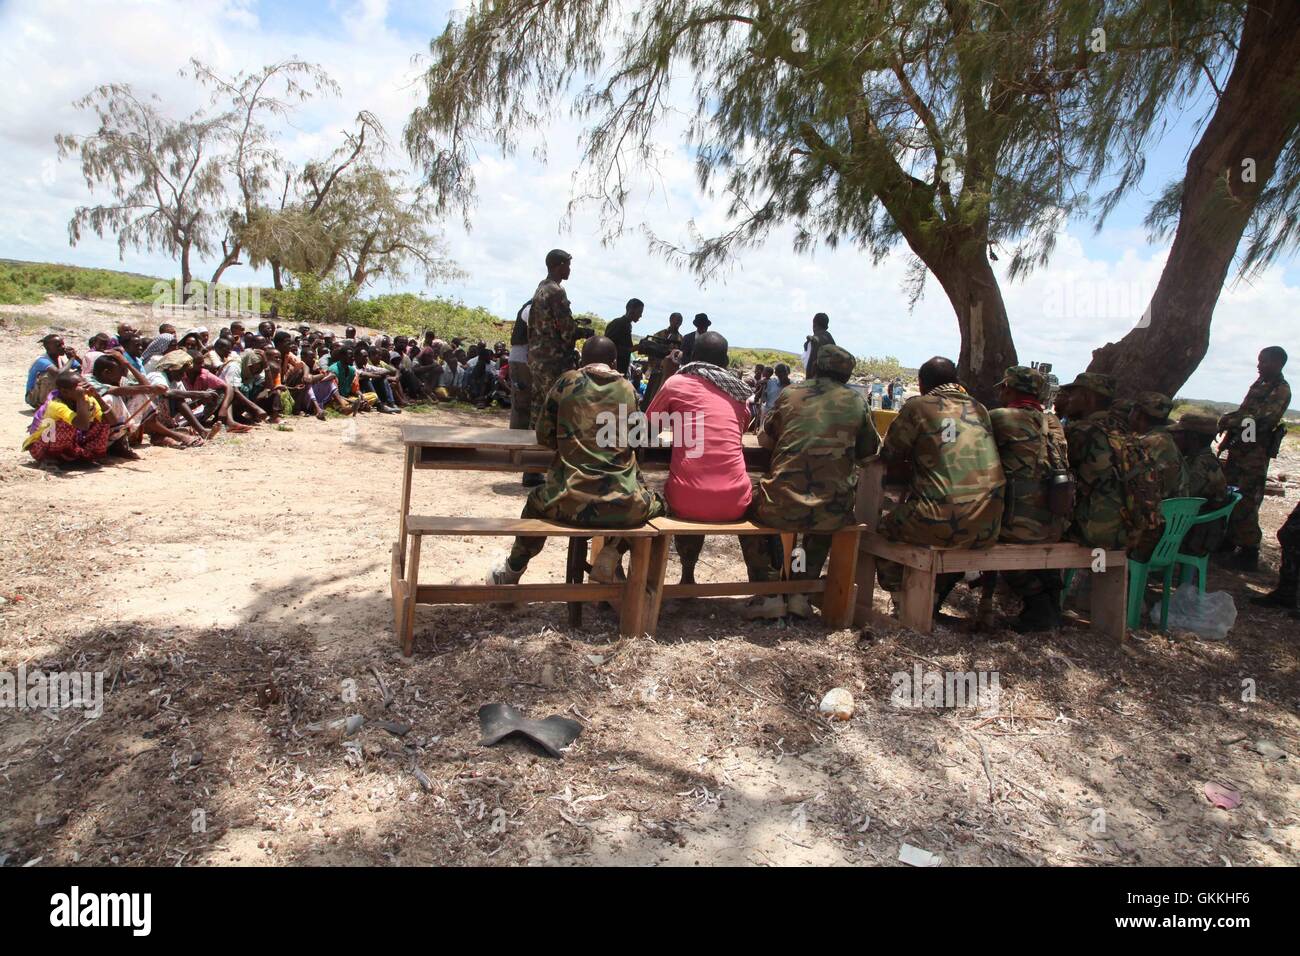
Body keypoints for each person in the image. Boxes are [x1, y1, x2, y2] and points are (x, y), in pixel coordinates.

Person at [486, 336, 664, 586]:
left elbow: (545, 436)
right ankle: (612, 552)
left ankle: (512, 572)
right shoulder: (627, 389)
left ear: (581, 360)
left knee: (534, 503)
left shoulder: (566, 382)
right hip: (624, 507)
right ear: (614, 362)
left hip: (566, 500)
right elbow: (636, 438)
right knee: (661, 504)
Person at [740, 344, 879, 619]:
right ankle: (800, 594)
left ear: (815, 366)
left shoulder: (791, 394)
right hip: (832, 508)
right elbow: (868, 452)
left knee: (745, 512)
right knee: (822, 520)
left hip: (781, 503)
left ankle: (769, 594)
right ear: (847, 375)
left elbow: (766, 438)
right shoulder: (857, 402)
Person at [876, 356, 1004, 613]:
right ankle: (935, 596)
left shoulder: (919, 407)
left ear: (922, 384)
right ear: (956, 381)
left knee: (883, 530)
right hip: (988, 524)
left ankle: (903, 602)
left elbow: (889, 453)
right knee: (939, 532)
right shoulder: (979, 409)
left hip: (937, 519)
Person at [645, 330, 753, 586]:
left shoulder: (677, 383)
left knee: (685, 486)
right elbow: (741, 428)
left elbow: (647, 431)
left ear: (689, 356)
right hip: (736, 502)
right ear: (725, 362)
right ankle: (769, 589)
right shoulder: (739, 393)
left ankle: (678, 578)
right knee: (713, 485)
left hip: (686, 500)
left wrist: (667, 375)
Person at [987, 365, 1070, 631]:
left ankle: (1039, 606)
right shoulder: (1054, 423)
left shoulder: (999, 418)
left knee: (964, 533)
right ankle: (1049, 604)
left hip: (1016, 524)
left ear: (1008, 389)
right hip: (1055, 523)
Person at [1219, 346, 1291, 570]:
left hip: (1254, 454)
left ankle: (1249, 550)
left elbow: (1261, 420)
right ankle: (1229, 541)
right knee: (1229, 493)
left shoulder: (1280, 389)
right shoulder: (1259, 385)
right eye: (1259, 361)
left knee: (1247, 499)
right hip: (1239, 449)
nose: (1259, 365)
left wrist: (1231, 421)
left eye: (1264, 362)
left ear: (1278, 363)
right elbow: (1245, 413)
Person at [1129, 391, 1188, 561]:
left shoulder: (1145, 445)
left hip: (1149, 535)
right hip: (1169, 532)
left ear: (1138, 413)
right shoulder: (1167, 441)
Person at [527, 249, 581, 430]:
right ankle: (551, 449)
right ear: (560, 266)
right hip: (553, 359)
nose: (570, 270)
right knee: (556, 405)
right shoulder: (556, 291)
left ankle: (532, 445)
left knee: (537, 404)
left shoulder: (540, 288)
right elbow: (566, 330)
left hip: (536, 356)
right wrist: (582, 332)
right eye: (568, 266)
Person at [23, 370, 118, 464]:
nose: (85, 389)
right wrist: (80, 398)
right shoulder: (55, 405)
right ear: (65, 392)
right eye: (80, 387)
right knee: (64, 424)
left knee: (103, 422)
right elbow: (82, 425)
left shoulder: (88, 399)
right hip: (43, 448)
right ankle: (51, 458)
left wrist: (97, 397)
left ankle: (90, 455)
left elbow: (112, 421)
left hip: (70, 444)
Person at [1169, 412, 1229, 558]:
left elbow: (1180, 501)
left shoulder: (1198, 466)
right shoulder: (1206, 459)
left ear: (1192, 438)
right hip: (1201, 530)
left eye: (1179, 434)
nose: (1174, 438)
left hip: (1194, 535)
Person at [638, 312, 684, 409]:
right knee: (650, 395)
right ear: (670, 320)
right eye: (676, 321)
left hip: (670, 373)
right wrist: (650, 368)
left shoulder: (681, 339)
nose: (678, 324)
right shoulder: (660, 334)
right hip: (656, 370)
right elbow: (650, 351)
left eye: (680, 322)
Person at [26, 334, 81, 408]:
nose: (63, 347)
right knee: (49, 376)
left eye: (63, 344)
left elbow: (81, 367)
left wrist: (76, 357)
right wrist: (71, 359)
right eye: (58, 345)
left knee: (76, 375)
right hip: (33, 396)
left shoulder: (63, 358)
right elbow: (58, 374)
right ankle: (44, 405)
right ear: (48, 348)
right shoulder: (42, 360)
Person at [603, 298, 643, 377]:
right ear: (631, 310)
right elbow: (608, 347)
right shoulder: (618, 324)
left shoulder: (626, 325)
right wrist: (634, 348)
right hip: (612, 372)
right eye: (640, 312)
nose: (641, 315)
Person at [803, 312, 834, 378]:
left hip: (817, 382)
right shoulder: (830, 339)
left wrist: (808, 382)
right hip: (830, 381)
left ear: (814, 324)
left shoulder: (813, 340)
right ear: (826, 326)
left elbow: (809, 365)